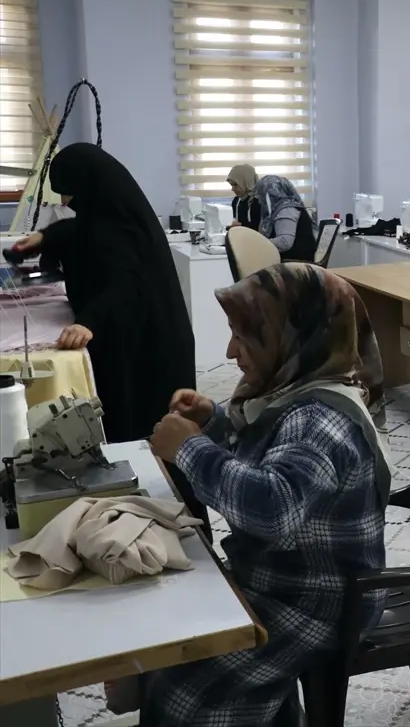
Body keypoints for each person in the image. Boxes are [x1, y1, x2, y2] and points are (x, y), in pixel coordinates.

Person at [120, 263, 390, 725]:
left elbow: (274, 509)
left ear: (292, 338)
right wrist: (212, 422)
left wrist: (189, 449)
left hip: (320, 604)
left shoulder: (319, 420)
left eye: (244, 337)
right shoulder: (292, 392)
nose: (230, 351)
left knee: (184, 691)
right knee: (173, 640)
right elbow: (265, 458)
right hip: (285, 581)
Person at [10, 143, 210, 538]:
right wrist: (43, 239)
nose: (65, 202)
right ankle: (133, 520)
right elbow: (81, 232)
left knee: (155, 437)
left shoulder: (124, 231)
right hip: (132, 340)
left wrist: (89, 321)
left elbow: (128, 283)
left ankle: (181, 526)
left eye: (69, 193)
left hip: (150, 348)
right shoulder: (113, 216)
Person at [255, 174, 317, 262]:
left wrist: (258, 244)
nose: (259, 200)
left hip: (295, 261)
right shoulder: (289, 206)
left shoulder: (286, 210)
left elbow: (284, 242)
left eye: (260, 195)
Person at [226, 163, 262, 230]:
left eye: (235, 185)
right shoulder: (236, 201)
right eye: (231, 185)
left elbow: (263, 229)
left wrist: (241, 225)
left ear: (246, 182)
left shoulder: (259, 201)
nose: (232, 189)